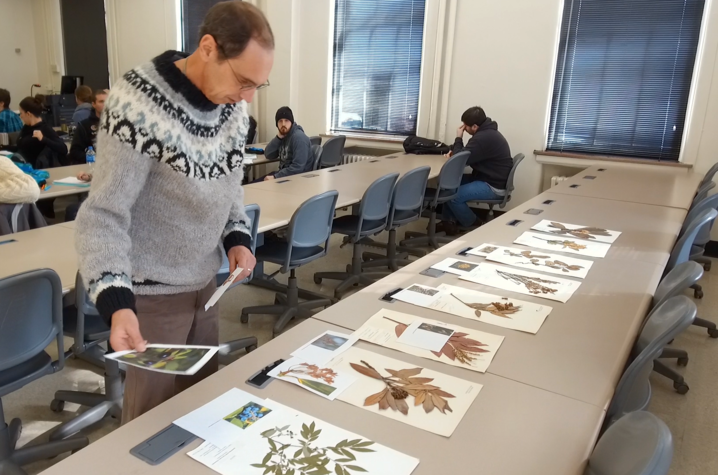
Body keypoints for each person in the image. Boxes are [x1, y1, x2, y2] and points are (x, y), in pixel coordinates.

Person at [75, 0, 273, 423]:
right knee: (150, 422)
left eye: (259, 86)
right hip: (152, 296)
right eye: (243, 81)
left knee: (202, 409)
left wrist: (237, 236)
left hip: (206, 284)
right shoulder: (136, 103)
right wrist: (116, 300)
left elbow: (229, 184)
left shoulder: (234, 107)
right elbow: (103, 216)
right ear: (208, 48)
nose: (248, 97)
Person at [439, 106, 513, 235]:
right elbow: (463, 154)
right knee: (448, 184)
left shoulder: (482, 138)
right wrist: (455, 151)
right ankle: (448, 223)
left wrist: (458, 138)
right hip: (488, 178)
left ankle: (475, 225)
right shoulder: (488, 133)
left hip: (493, 186)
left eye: (465, 126)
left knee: (451, 197)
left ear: (474, 126)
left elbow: (460, 160)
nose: (464, 128)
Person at [13, 96, 68, 168]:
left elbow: (63, 149)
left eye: (21, 113)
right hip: (21, 164)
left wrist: (43, 139)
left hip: (34, 169)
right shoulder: (27, 127)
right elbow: (20, 148)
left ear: (28, 114)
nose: (20, 116)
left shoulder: (45, 129)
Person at [261, 106, 312, 180]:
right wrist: (278, 137)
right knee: (251, 185)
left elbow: (297, 168)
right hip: (284, 175)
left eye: (286, 120)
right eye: (280, 121)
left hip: (296, 179)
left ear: (291, 122)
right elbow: (268, 155)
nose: (283, 124)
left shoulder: (299, 138)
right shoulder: (283, 136)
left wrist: (275, 177)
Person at [67, 89, 108, 165]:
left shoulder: (116, 123)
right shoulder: (84, 125)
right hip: (94, 165)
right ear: (93, 104)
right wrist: (93, 157)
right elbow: (75, 151)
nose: (105, 104)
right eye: (101, 101)